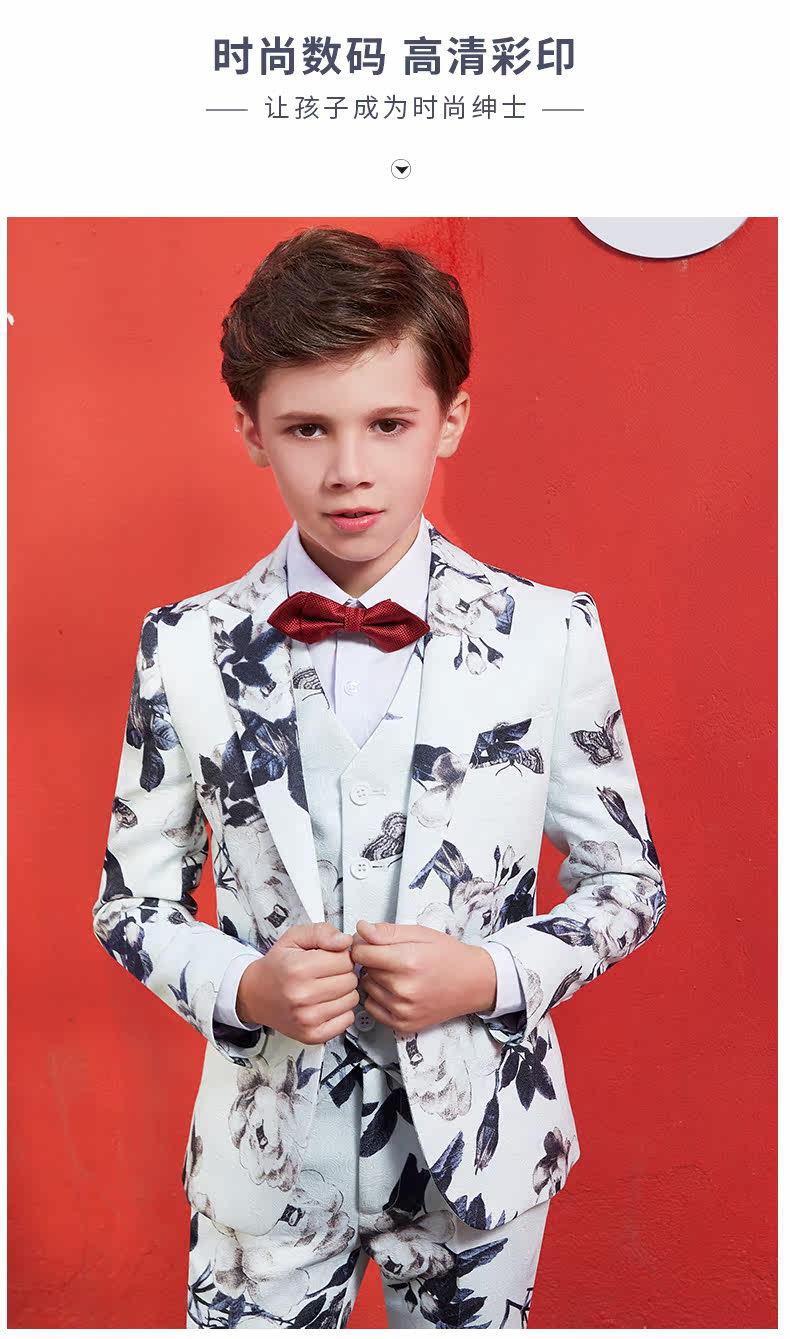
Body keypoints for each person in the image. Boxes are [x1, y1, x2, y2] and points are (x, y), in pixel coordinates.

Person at [92, 226, 667, 1329]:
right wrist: (247, 988)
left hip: (481, 1162)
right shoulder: (184, 646)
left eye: (388, 424)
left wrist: (487, 972)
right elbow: (131, 902)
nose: (349, 468)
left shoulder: (548, 634)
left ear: (450, 419)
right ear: (251, 431)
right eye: (307, 427)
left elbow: (626, 881)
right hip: (265, 1167)